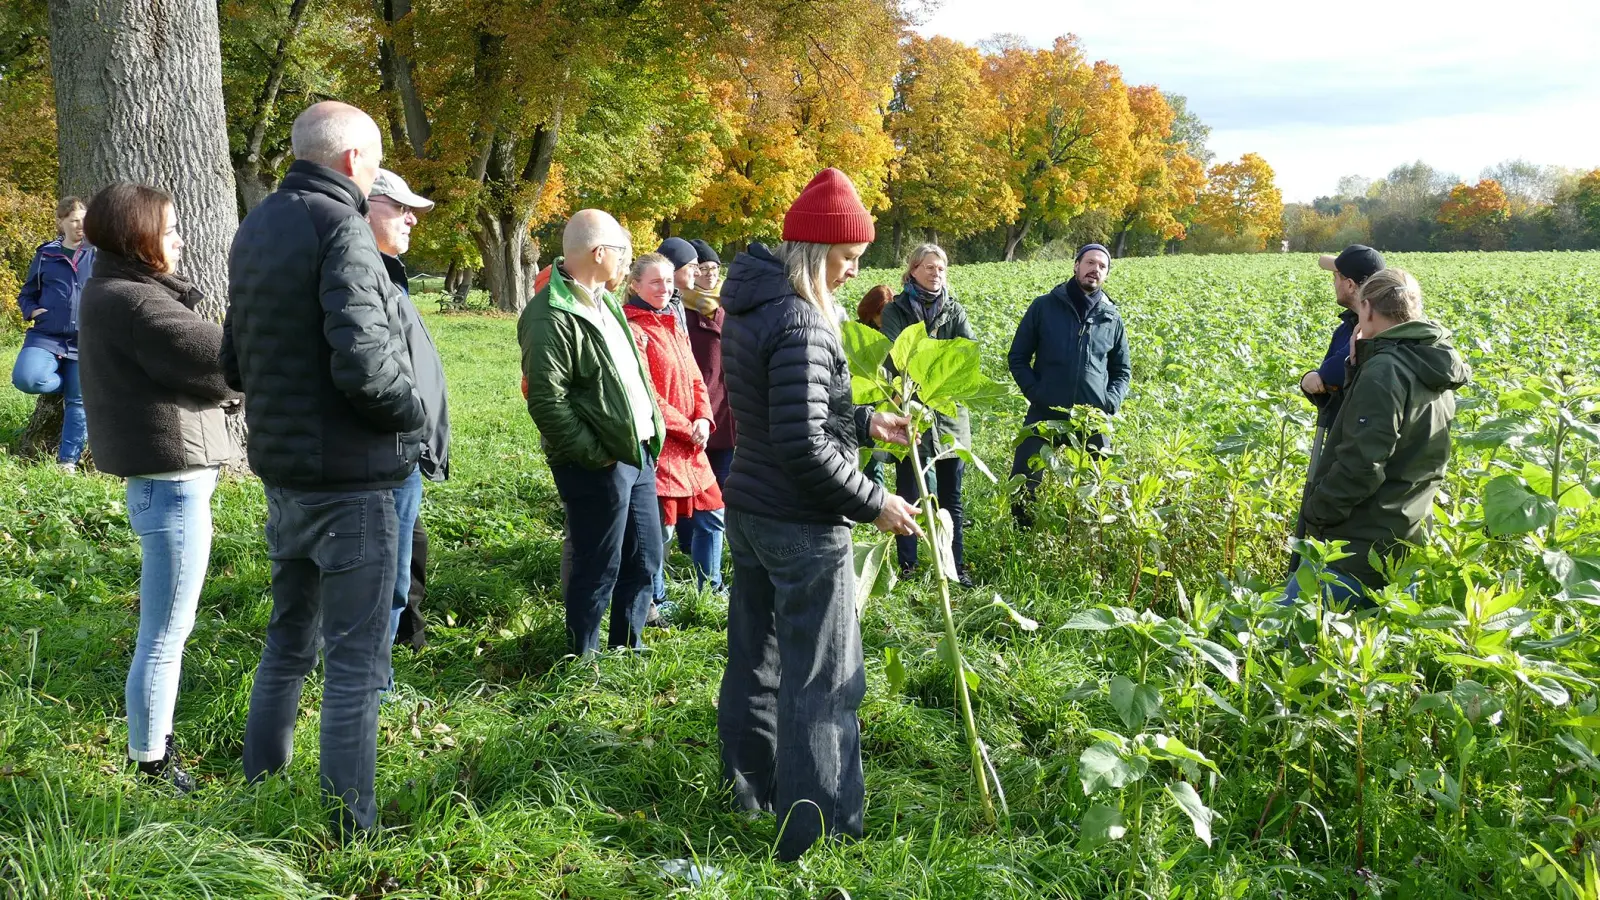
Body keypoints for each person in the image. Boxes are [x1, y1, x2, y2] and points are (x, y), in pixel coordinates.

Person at [225, 101, 425, 837]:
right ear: (351, 162)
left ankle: (259, 788)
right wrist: (416, 415)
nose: (374, 177)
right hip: (354, 481)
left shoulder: (256, 226)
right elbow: (367, 366)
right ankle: (353, 831)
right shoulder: (341, 226)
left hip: (285, 473)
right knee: (354, 668)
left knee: (287, 642)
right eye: (374, 163)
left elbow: (232, 359)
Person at [717, 167, 921, 861]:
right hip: (800, 524)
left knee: (756, 660)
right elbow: (804, 446)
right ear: (812, 250)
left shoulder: (754, 301)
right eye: (845, 259)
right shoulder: (803, 319)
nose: (852, 273)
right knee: (827, 681)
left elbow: (789, 417)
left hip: (750, 505)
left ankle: (749, 794)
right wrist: (876, 502)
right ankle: (820, 832)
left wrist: (866, 424)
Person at [76, 183, 241, 793]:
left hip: (166, 485)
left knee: (167, 628)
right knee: (166, 633)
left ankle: (151, 752)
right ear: (139, 238)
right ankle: (151, 763)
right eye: (170, 230)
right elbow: (225, 358)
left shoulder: (113, 291)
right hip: (171, 488)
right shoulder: (135, 303)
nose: (180, 239)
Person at [519, 209, 665, 657]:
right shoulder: (549, 315)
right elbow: (547, 400)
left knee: (645, 559)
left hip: (636, 452)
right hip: (596, 460)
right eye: (623, 252)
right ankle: (583, 659)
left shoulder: (605, 302)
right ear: (600, 252)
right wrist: (593, 454)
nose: (627, 262)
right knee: (598, 563)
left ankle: (628, 650)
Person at [1289, 268, 1469, 606]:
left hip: (1354, 550)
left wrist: (1316, 512)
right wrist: (1357, 367)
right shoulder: (1431, 364)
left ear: (1367, 309)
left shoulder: (1386, 370)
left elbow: (1361, 465)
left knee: (1279, 641)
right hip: (1403, 539)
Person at [365, 169, 450, 663]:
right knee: (383, 577)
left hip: (403, 449)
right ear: (367, 205)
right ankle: (372, 689)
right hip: (387, 451)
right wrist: (411, 426)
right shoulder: (361, 274)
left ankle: (389, 665)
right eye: (399, 207)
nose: (411, 218)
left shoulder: (388, 274)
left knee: (400, 569)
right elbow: (373, 372)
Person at [622, 253, 725, 602]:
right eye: (655, 282)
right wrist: (685, 426)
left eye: (668, 281)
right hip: (661, 447)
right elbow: (645, 391)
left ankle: (708, 591)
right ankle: (655, 601)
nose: (664, 288)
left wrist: (702, 417)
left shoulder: (672, 322)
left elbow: (696, 377)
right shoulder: (632, 329)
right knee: (661, 531)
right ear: (635, 285)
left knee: (713, 512)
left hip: (691, 444)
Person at [1006, 243, 1131, 528]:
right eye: (1090, 263)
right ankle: (1021, 537)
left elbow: (1122, 370)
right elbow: (1018, 357)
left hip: (1092, 417)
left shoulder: (1111, 316)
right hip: (1045, 410)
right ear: (1076, 266)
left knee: (1103, 481)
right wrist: (1035, 392)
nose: (1095, 269)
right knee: (1024, 479)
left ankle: (1092, 537)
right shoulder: (1044, 306)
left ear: (1107, 274)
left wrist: (1109, 402)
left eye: (1102, 266)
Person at [880, 244, 975, 585]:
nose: (937, 274)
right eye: (931, 268)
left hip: (949, 414)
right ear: (914, 270)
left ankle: (955, 566)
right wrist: (937, 362)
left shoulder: (954, 310)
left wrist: (925, 361)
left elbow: (966, 354)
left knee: (951, 496)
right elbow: (895, 357)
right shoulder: (897, 310)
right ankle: (909, 567)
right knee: (909, 492)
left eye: (942, 269)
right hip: (911, 413)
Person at [1289, 245, 1385, 572]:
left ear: (1351, 285)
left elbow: (1330, 374)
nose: (1333, 282)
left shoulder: (1367, 329)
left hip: (1350, 449)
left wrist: (1314, 377)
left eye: (1337, 276)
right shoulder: (1349, 326)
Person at [12, 197, 95, 472]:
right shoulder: (46, 254)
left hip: (86, 341)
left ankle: (67, 461)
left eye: (83, 219)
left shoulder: (97, 254)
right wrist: (34, 312)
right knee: (27, 378)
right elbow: (27, 293)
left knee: (79, 403)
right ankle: (67, 382)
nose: (79, 225)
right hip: (46, 336)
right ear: (61, 222)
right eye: (73, 220)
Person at [856, 284, 894, 489]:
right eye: (881, 314)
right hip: (860, 396)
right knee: (866, 454)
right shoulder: (858, 332)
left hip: (884, 397)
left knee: (878, 455)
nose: (884, 319)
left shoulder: (892, 332)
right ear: (871, 312)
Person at [656, 237, 696, 332]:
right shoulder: (659, 307)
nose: (698, 272)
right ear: (674, 268)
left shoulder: (676, 302)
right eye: (692, 266)